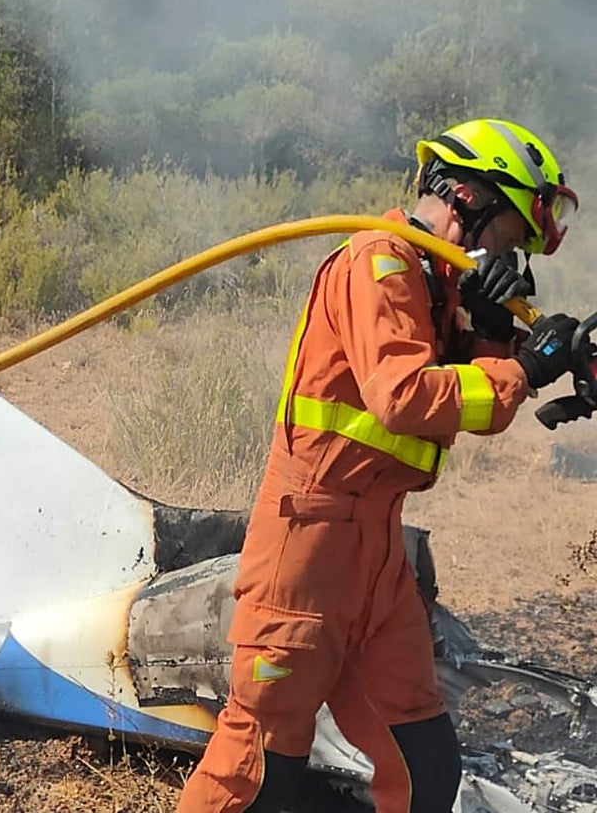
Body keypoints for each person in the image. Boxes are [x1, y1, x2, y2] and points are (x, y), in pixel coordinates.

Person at [176, 118, 581, 813]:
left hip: (376, 554)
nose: (511, 261)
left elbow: (474, 398)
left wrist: (516, 343)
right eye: (512, 238)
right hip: (307, 546)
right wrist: (520, 367)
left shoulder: (434, 289)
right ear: (467, 197)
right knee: (257, 774)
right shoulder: (379, 263)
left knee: (424, 766)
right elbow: (404, 397)